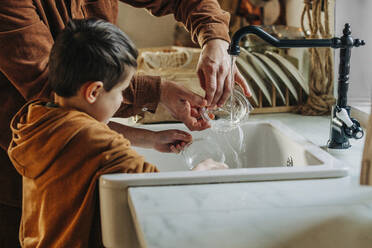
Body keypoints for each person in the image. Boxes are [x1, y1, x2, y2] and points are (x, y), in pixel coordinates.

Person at [0, 1, 250, 246]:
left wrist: (149, 137)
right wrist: (202, 175)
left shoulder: (35, 120)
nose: (122, 100)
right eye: (120, 91)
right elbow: (155, 195)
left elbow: (83, 129)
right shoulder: (107, 151)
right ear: (94, 91)